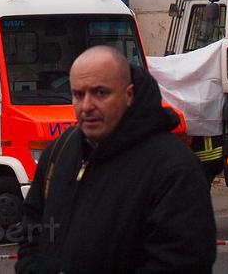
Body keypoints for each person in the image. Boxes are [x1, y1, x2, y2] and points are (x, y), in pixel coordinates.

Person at [17, 46, 216, 273]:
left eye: (100, 93)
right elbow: (31, 234)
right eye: (78, 94)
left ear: (128, 95)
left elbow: (182, 263)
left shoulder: (174, 168)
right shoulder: (59, 151)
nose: (87, 106)